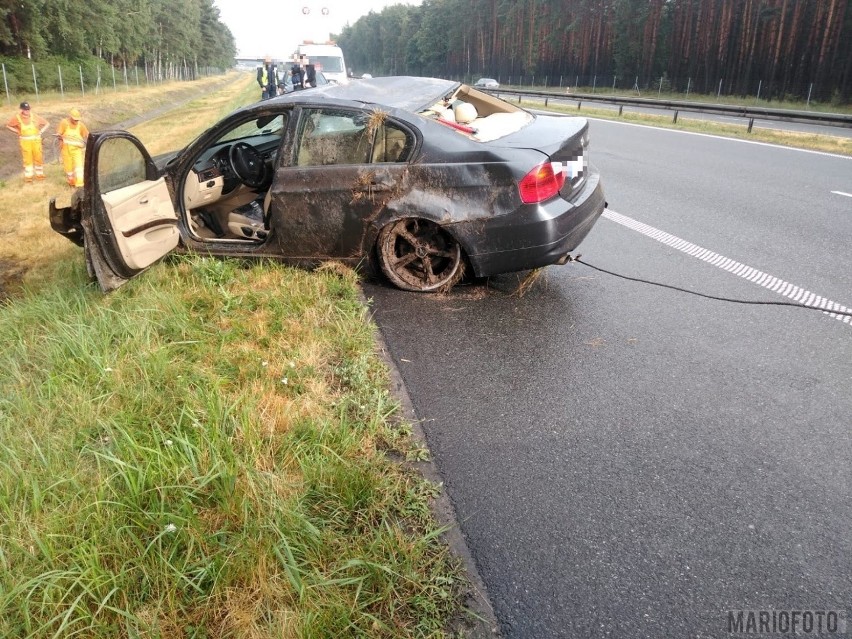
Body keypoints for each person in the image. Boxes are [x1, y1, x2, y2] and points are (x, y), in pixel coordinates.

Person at [5, 101, 49, 183]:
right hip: (25, 142)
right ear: (21, 110)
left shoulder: (35, 116)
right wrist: (17, 131)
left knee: (38, 158)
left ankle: (40, 176)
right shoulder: (17, 118)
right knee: (27, 160)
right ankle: (28, 178)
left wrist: (41, 131)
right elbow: (8, 125)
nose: (27, 111)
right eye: (25, 110)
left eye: (28, 109)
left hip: (36, 141)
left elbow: (47, 123)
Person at [55, 107, 89, 187]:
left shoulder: (80, 125)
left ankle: (80, 184)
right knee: (69, 169)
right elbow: (59, 133)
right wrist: (59, 136)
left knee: (79, 167)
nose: (76, 121)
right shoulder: (64, 123)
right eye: (75, 119)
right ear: (70, 117)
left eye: (78, 120)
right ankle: (71, 182)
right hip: (66, 149)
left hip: (77, 149)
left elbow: (87, 134)